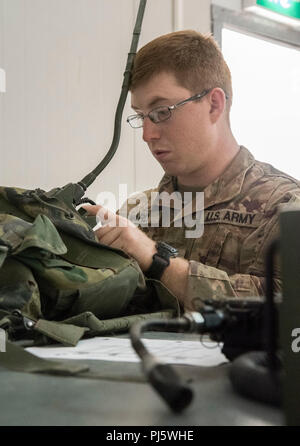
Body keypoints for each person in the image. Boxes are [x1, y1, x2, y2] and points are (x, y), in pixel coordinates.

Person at [85, 30, 300, 312]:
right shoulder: (137, 212)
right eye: (141, 117)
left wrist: (158, 261)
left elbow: (289, 308)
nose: (147, 134)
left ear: (214, 104)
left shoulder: (285, 208)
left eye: (162, 112)